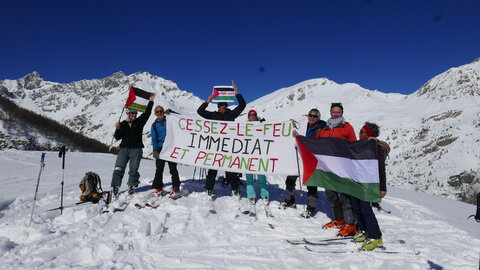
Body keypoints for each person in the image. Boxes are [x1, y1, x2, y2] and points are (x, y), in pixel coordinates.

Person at [196, 81, 246, 197]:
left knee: (230, 171)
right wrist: (207, 101)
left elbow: (242, 105)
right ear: (218, 107)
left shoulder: (232, 115)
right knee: (212, 170)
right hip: (215, 147)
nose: (223, 107)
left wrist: (236, 92)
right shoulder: (213, 115)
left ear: (227, 107)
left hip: (228, 147)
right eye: (221, 105)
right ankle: (209, 189)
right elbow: (200, 112)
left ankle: (234, 189)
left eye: (224, 105)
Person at [316, 102, 357, 236]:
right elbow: (314, 143)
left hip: (342, 167)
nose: (336, 114)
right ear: (330, 113)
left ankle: (350, 223)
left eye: (338, 112)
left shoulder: (347, 127)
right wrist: (298, 138)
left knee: (344, 195)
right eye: (334, 112)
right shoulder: (324, 129)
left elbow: (353, 144)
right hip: (328, 168)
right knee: (331, 194)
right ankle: (338, 220)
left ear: (342, 113)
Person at [350, 122, 390, 251]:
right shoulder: (358, 145)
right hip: (356, 182)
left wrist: (382, 188)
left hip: (368, 184)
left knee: (366, 210)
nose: (360, 133)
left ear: (369, 134)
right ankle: (363, 230)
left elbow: (380, 168)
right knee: (356, 207)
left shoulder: (375, 147)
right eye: (360, 130)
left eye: (363, 131)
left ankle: (375, 236)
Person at [284, 109, 326, 219]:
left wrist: (301, 138)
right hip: (298, 157)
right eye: (310, 115)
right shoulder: (304, 125)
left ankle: (311, 207)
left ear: (319, 118)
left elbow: (315, 142)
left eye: (315, 116)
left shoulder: (321, 128)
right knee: (290, 179)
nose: (312, 118)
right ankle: (289, 200)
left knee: (311, 183)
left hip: (311, 158)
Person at [111, 92, 156, 196]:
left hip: (136, 149)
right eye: (132, 113)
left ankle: (132, 185)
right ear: (128, 114)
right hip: (123, 149)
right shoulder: (123, 124)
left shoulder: (140, 122)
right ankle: (115, 186)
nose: (134, 115)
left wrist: (151, 101)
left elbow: (147, 113)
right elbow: (117, 137)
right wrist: (118, 128)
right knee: (118, 168)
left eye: (135, 113)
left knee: (133, 169)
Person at [151, 105, 181, 199]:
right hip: (160, 148)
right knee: (159, 169)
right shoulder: (154, 125)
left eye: (161, 111)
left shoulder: (170, 120)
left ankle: (176, 188)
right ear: (155, 114)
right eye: (157, 112)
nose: (159, 113)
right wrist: (155, 149)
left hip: (170, 147)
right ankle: (158, 187)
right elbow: (154, 138)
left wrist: (172, 112)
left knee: (173, 169)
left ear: (163, 112)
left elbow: (180, 119)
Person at [245, 110, 269, 204]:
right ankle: (251, 196)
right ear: (248, 116)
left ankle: (265, 195)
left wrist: (264, 124)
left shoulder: (262, 124)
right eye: (250, 115)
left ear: (256, 115)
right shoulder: (245, 127)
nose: (252, 116)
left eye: (254, 114)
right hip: (248, 154)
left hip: (259, 154)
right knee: (249, 177)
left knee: (261, 176)